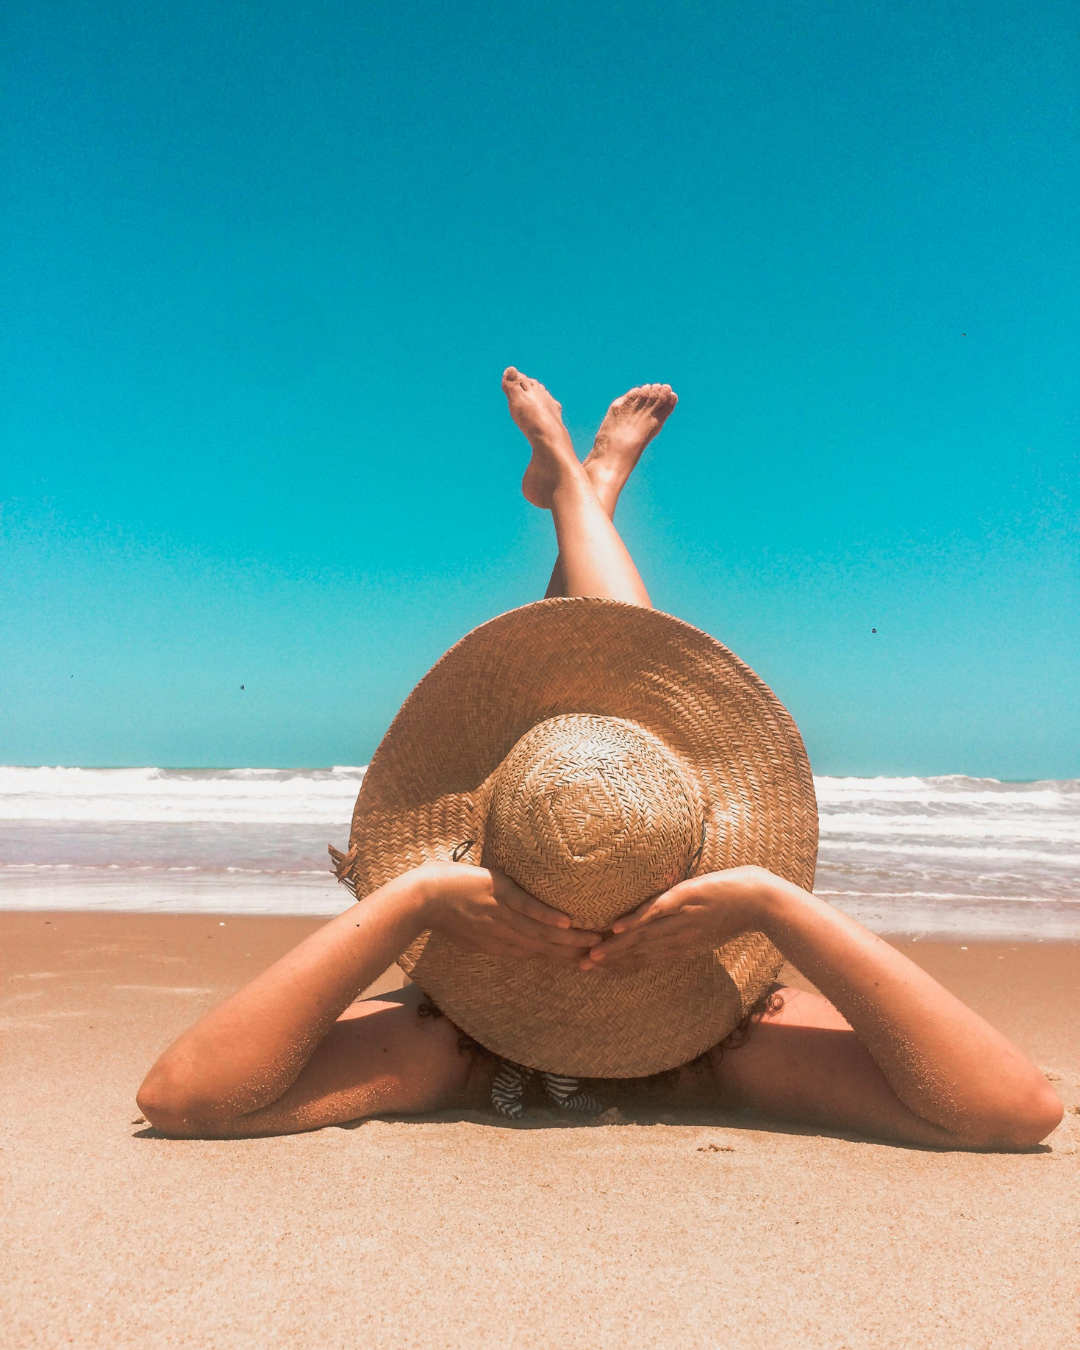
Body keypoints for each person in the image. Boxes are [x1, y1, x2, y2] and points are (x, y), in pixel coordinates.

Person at [137, 370, 1063, 1149]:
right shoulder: (717, 1039)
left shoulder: (455, 1044)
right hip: (624, 956)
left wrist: (412, 901)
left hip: (539, 956)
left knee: (595, 720)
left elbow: (1015, 1110)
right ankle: (586, 497)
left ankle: (585, 497)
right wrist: (772, 904)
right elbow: (179, 1098)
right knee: (595, 733)